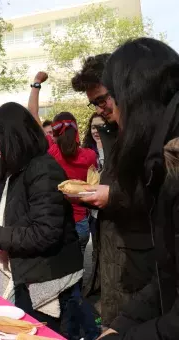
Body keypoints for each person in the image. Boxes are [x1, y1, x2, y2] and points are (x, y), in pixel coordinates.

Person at [0, 102, 98, 340]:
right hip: (31, 275)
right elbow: (21, 208)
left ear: (14, 139)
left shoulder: (43, 170)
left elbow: (44, 232)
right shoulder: (23, 169)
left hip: (50, 281)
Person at [97, 37, 179, 340]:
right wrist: (122, 324)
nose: (114, 116)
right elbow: (169, 275)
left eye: (112, 102)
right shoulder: (162, 162)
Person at [69, 55, 155, 327]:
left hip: (143, 268)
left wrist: (111, 196)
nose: (99, 109)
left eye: (102, 100)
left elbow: (157, 191)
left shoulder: (152, 132)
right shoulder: (114, 133)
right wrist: (95, 196)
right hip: (115, 262)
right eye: (93, 103)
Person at [28, 72, 97, 255]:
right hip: (81, 224)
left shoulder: (51, 151)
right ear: (76, 131)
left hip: (58, 222)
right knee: (79, 269)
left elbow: (32, 113)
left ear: (55, 132)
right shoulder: (90, 155)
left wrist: (36, 83)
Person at [82, 113, 106, 239]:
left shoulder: (115, 148)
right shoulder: (86, 150)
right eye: (93, 127)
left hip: (108, 211)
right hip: (92, 213)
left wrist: (102, 150)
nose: (96, 131)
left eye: (101, 126)